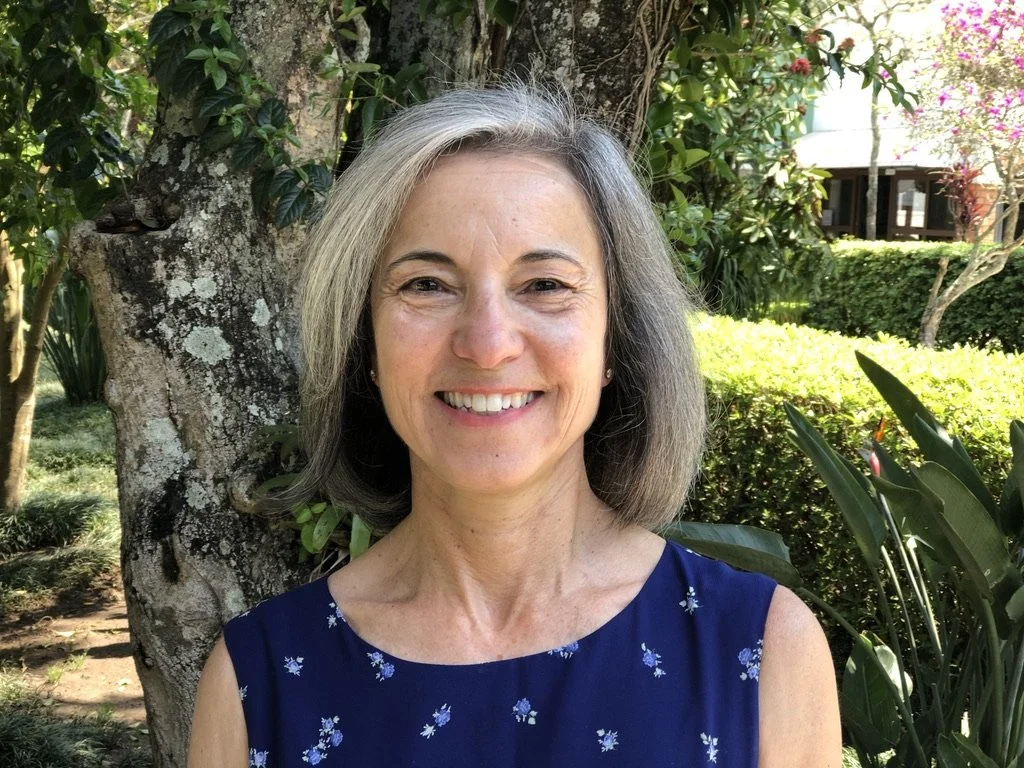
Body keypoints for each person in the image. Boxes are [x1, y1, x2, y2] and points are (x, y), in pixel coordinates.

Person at [187, 84, 840, 767]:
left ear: (615, 341)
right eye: (427, 285)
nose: (488, 343)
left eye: (546, 285)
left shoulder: (762, 652)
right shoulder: (255, 684)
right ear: (365, 347)